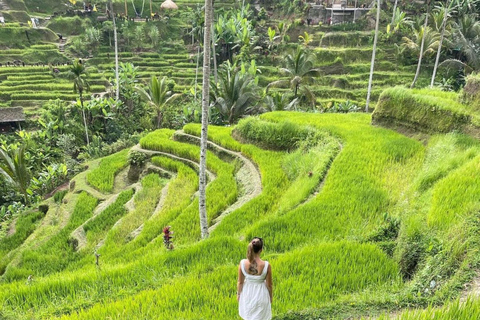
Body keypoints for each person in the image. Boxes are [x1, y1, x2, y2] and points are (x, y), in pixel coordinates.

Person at [237, 237, 272, 320]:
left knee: (248, 316)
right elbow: (269, 284)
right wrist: (270, 297)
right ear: (261, 250)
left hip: (247, 293)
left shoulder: (242, 263)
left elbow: (240, 282)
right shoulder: (266, 265)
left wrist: (238, 294)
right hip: (261, 294)